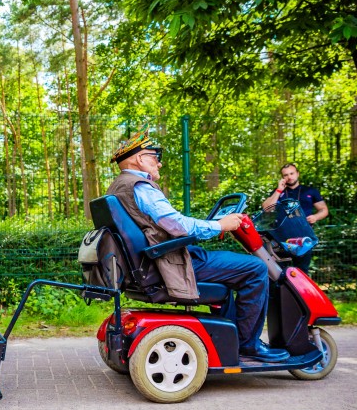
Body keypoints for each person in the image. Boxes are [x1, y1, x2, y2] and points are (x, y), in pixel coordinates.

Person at [106, 128, 289, 363]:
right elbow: (177, 225)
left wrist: (215, 224)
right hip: (169, 263)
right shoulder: (141, 187)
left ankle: (227, 341)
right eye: (156, 157)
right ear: (140, 159)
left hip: (155, 260)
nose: (159, 164)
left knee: (231, 267)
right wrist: (220, 225)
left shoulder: (118, 186)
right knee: (255, 268)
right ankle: (248, 344)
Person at [262, 163, 328, 274]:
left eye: (292, 173)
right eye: (286, 175)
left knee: (302, 271)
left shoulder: (310, 191)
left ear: (297, 173)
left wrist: (315, 217)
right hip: (281, 238)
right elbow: (266, 208)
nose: (289, 177)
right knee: (278, 272)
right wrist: (279, 190)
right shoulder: (278, 191)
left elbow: (324, 210)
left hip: (303, 236)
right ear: (283, 177)